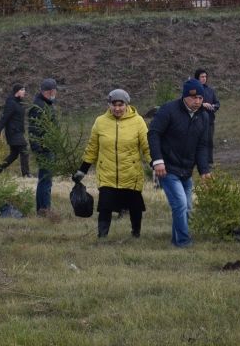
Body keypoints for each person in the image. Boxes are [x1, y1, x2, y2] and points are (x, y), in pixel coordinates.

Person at [75, 89, 151, 239]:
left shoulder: (138, 121)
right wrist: (82, 170)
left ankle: (136, 233)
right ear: (109, 105)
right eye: (113, 105)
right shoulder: (100, 122)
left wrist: (155, 164)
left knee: (135, 206)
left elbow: (146, 146)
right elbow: (92, 148)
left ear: (127, 104)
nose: (117, 108)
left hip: (131, 173)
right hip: (107, 173)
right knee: (105, 206)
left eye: (120, 104)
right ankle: (102, 236)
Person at [148, 78, 212, 248]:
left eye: (200, 98)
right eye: (193, 98)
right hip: (167, 168)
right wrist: (158, 161)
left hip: (186, 169)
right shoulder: (168, 110)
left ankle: (176, 240)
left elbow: (202, 145)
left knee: (187, 208)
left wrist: (204, 169)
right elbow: (153, 134)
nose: (197, 101)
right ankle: (184, 242)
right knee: (180, 204)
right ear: (185, 96)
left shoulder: (204, 117)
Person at [28, 78, 58, 215]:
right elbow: (34, 129)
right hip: (44, 148)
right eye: (55, 91)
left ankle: (42, 209)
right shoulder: (39, 106)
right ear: (51, 91)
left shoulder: (46, 104)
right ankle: (44, 209)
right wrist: (39, 148)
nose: (56, 93)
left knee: (45, 179)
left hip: (48, 146)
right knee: (45, 180)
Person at [0, 83, 30, 177]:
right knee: (24, 150)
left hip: (18, 131)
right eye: (22, 89)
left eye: (24, 89)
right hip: (13, 132)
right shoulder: (11, 102)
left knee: (14, 154)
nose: (24, 92)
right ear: (17, 91)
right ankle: (26, 174)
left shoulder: (18, 102)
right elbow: (4, 118)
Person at [194, 69, 220, 164]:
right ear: (197, 78)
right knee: (198, 141)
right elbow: (190, 103)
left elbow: (217, 103)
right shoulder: (194, 90)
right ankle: (196, 161)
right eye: (202, 76)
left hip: (209, 121)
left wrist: (214, 106)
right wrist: (202, 105)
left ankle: (209, 162)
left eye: (205, 76)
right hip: (197, 120)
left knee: (209, 141)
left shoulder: (210, 90)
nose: (204, 78)